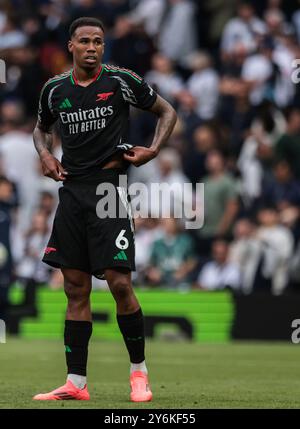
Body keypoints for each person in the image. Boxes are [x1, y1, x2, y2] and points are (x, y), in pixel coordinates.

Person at [32, 17, 177, 402]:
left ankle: (139, 374)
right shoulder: (54, 89)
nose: (92, 47)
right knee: (75, 289)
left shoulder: (120, 80)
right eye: (85, 41)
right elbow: (40, 127)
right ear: (71, 46)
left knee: (119, 283)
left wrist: (154, 148)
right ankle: (76, 383)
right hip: (71, 194)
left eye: (98, 41)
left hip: (109, 190)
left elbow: (167, 112)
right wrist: (45, 152)